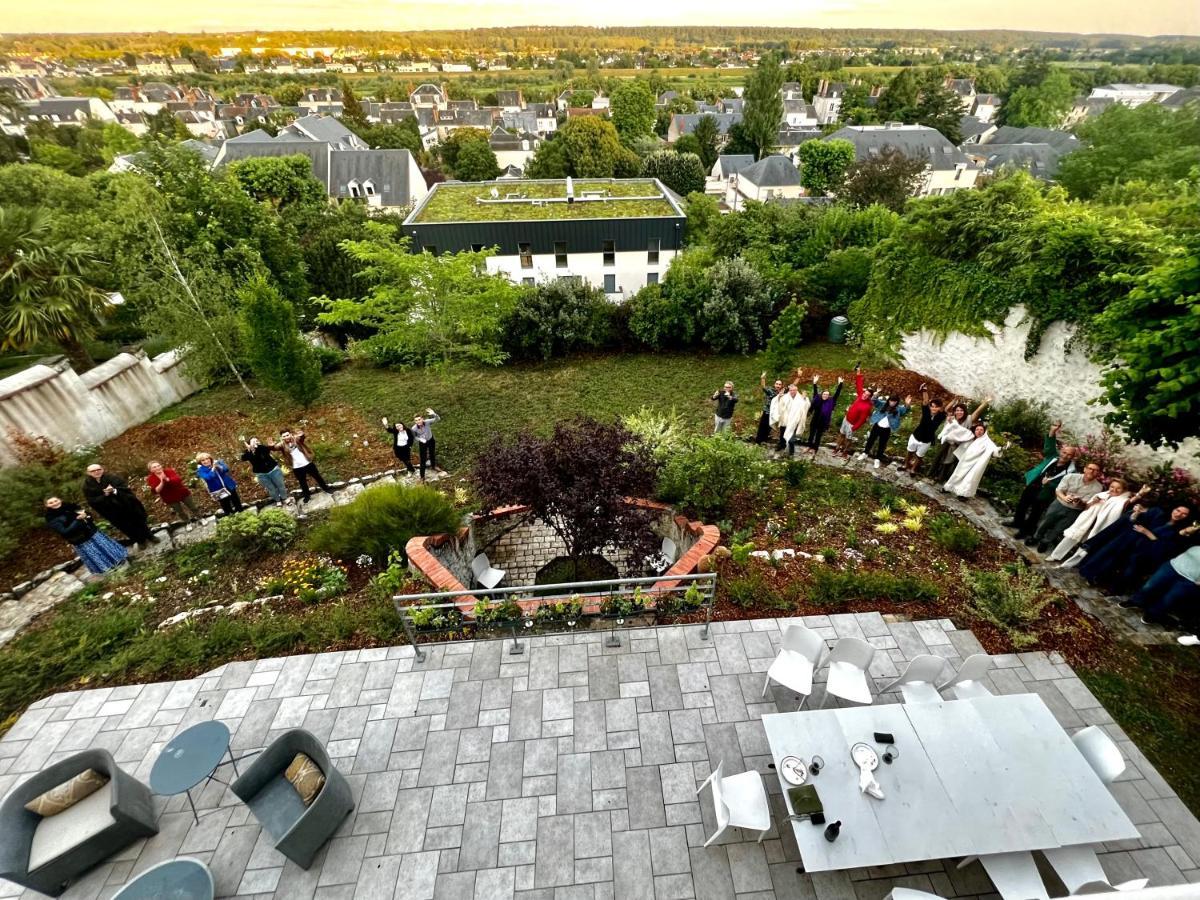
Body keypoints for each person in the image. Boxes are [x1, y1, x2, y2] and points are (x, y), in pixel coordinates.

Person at [1005, 424, 1078, 539]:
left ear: (1072, 457)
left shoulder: (1071, 471)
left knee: (1035, 513)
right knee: (1022, 505)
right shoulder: (1053, 457)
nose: (1065, 455)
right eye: (1064, 452)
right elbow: (1049, 446)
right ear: (1061, 451)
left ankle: (1025, 531)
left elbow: (1064, 486)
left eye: (1069, 454)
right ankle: (1017, 522)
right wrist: (1052, 431)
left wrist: (1050, 484)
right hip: (1034, 484)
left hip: (1046, 492)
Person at [1051, 480, 1139, 564]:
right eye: (1112, 486)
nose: (1114, 490)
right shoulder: (1101, 495)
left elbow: (1129, 502)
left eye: (1118, 488)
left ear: (1123, 490)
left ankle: (1071, 563)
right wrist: (1093, 502)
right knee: (1071, 538)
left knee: (1087, 545)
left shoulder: (1122, 500)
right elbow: (1085, 507)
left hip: (1100, 525)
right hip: (1087, 521)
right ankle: (1055, 555)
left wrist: (1141, 493)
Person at [1029, 462, 1104, 552]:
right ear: (1085, 469)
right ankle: (1036, 537)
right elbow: (1059, 490)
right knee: (1046, 521)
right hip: (1059, 504)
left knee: (1059, 528)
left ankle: (1045, 542)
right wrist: (1065, 497)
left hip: (1075, 511)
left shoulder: (1098, 487)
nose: (1092, 471)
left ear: (1099, 473)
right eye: (1090, 468)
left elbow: (1087, 502)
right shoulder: (1071, 476)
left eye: (1096, 470)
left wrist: (1079, 502)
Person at [1120, 545, 1200, 628]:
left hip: (1191, 579)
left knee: (1170, 598)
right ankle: (1135, 601)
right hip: (1173, 566)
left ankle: (1152, 614)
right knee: (1150, 586)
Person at [44, 497, 128, 575]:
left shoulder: (71, 506)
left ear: (60, 500)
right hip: (80, 539)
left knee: (106, 548)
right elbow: (64, 531)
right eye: (51, 503)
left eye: (56, 501)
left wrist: (87, 516)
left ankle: (121, 562)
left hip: (92, 532)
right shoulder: (51, 518)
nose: (55, 503)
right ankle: (109, 571)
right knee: (96, 554)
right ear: (47, 505)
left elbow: (89, 516)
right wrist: (77, 520)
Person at [82, 464, 157, 549]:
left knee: (139, 522)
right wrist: (105, 495)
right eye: (93, 471)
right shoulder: (87, 486)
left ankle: (150, 536)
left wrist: (114, 490)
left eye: (98, 469)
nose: (96, 472)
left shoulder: (112, 478)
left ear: (102, 469)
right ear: (88, 473)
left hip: (126, 505)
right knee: (125, 527)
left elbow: (125, 489)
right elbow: (92, 500)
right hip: (111, 511)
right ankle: (140, 541)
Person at [928, 397, 990, 481]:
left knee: (950, 461)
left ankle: (941, 477)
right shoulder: (952, 418)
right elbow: (946, 410)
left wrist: (985, 402)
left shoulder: (968, 419)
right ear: (955, 411)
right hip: (947, 442)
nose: (959, 412)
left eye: (961, 410)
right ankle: (931, 474)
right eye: (957, 410)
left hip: (958, 445)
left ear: (964, 412)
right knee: (940, 457)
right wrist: (954, 399)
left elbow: (977, 412)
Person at [943, 423, 1008, 499]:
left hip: (976, 464)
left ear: (984, 431)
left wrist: (1001, 449)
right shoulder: (971, 437)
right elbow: (959, 434)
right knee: (957, 474)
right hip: (965, 461)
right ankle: (947, 488)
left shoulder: (987, 441)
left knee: (969, 479)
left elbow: (994, 450)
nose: (979, 431)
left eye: (981, 430)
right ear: (975, 430)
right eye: (977, 429)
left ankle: (963, 494)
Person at [270, 430, 331, 503]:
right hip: (297, 467)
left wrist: (302, 435)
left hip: (307, 463)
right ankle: (307, 495)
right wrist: (271, 446)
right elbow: (275, 448)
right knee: (302, 482)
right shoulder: (282, 445)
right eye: (284, 436)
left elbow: (301, 438)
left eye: (287, 435)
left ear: (290, 434)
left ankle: (326, 488)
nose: (286, 437)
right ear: (282, 438)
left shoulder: (296, 439)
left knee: (317, 477)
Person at [860, 394, 912, 470]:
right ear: (889, 400)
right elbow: (874, 401)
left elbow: (906, 410)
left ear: (897, 402)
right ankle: (865, 453)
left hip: (886, 429)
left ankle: (877, 459)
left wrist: (907, 403)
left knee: (882, 444)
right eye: (891, 401)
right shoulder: (883, 404)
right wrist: (877, 393)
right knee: (871, 440)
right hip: (877, 426)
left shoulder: (898, 409)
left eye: (894, 401)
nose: (892, 403)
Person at [904, 384, 946, 475]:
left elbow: (946, 408)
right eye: (932, 406)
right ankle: (906, 465)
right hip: (916, 436)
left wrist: (954, 400)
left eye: (936, 406)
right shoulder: (926, 412)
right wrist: (925, 391)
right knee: (910, 451)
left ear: (939, 408)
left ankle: (913, 469)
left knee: (919, 456)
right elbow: (926, 401)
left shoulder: (940, 416)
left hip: (927, 440)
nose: (934, 408)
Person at [146, 460, 199, 527]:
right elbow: (156, 490)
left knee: (193, 507)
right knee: (180, 512)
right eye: (154, 467)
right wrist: (162, 482)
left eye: (158, 465)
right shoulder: (151, 478)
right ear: (151, 470)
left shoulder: (169, 471)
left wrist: (167, 479)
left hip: (182, 492)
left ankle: (200, 518)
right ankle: (187, 522)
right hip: (170, 498)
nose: (157, 468)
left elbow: (178, 480)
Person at [835, 364, 873, 458]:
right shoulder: (860, 395)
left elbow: (863, 419)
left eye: (867, 395)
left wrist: (854, 427)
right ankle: (837, 448)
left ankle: (845, 451)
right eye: (865, 393)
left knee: (848, 438)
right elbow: (859, 384)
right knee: (841, 434)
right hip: (846, 419)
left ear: (869, 397)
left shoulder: (867, 406)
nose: (865, 395)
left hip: (852, 424)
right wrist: (858, 372)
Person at [240, 436, 289, 505]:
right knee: (271, 488)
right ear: (249, 444)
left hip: (273, 470)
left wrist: (258, 447)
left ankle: (285, 498)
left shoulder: (262, 448)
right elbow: (242, 458)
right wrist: (249, 450)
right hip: (261, 474)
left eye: (257, 440)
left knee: (280, 485)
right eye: (253, 441)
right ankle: (277, 500)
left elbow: (266, 451)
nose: (255, 442)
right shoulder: (248, 452)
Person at [805, 375, 844, 455]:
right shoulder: (818, 399)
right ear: (821, 394)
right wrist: (815, 383)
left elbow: (837, 394)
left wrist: (840, 384)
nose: (825, 395)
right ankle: (809, 446)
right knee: (811, 435)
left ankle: (815, 448)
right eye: (824, 394)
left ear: (828, 396)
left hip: (822, 422)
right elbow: (815, 392)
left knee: (818, 436)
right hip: (815, 420)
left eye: (827, 394)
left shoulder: (830, 402)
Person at [779, 382, 811, 458]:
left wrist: (804, 399)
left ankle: (791, 453)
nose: (793, 391)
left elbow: (807, 406)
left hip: (795, 422)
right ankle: (784, 449)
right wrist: (779, 397)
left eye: (794, 390)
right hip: (786, 421)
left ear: (797, 390)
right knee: (784, 436)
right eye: (791, 390)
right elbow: (780, 406)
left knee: (791, 440)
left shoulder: (800, 398)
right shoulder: (785, 397)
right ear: (789, 390)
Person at [755, 372, 785, 445]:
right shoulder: (770, 390)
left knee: (769, 427)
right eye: (777, 384)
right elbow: (763, 387)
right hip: (767, 412)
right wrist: (763, 378)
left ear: (781, 386)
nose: (778, 385)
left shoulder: (783, 392)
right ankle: (758, 441)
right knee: (762, 426)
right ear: (774, 385)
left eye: (779, 384)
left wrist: (799, 377)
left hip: (774, 414)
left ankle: (764, 440)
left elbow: (793, 386)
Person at [413, 409, 441, 480]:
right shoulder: (414, 428)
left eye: (419, 419)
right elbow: (414, 437)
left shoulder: (427, 422)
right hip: (422, 443)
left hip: (431, 440)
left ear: (422, 419)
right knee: (423, 459)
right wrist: (420, 439)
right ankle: (422, 476)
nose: (418, 421)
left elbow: (438, 419)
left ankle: (433, 466)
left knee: (432, 453)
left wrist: (434, 414)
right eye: (416, 420)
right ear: (415, 421)